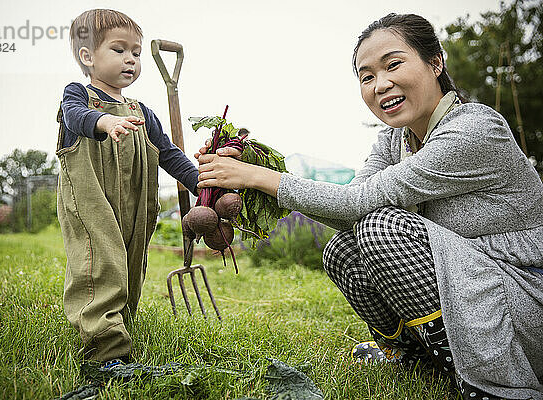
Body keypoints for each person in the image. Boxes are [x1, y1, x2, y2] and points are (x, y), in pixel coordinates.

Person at [196, 13, 543, 400]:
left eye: (393, 65)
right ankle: (417, 358)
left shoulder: (474, 130)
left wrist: (256, 177)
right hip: (473, 282)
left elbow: (357, 203)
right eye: (366, 76)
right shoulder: (395, 140)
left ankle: (482, 376)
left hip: (522, 302)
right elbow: (349, 210)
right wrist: (251, 171)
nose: (381, 84)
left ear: (435, 62)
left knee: (381, 229)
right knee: (344, 249)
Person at [56, 9, 198, 378]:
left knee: (129, 262)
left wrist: (201, 185)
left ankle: (118, 321)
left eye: (136, 51)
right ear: (87, 57)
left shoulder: (142, 112)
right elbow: (74, 116)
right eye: (119, 49)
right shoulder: (79, 96)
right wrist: (104, 121)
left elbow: (168, 154)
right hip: (91, 200)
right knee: (100, 263)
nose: (131, 59)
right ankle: (105, 352)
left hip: (135, 202)